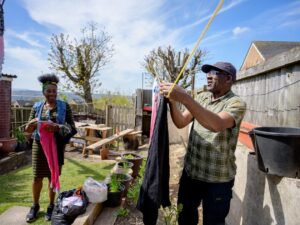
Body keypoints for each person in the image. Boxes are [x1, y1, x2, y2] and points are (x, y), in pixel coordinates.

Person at [160, 62, 246, 225]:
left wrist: (185, 97)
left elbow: (217, 124)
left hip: (218, 181)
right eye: (207, 72)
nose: (208, 75)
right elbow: (181, 122)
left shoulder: (236, 103)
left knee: (213, 222)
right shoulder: (202, 98)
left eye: (214, 72)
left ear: (228, 78)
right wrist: (172, 102)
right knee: (185, 218)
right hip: (191, 174)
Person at [25, 74, 77, 222]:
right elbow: (28, 131)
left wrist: (58, 127)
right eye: (49, 91)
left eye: (54, 91)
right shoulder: (36, 107)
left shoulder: (64, 106)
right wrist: (32, 124)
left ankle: (51, 206)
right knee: (37, 177)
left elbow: (72, 128)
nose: (52, 94)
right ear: (43, 92)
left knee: (52, 177)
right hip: (39, 145)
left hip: (56, 146)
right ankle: (35, 206)